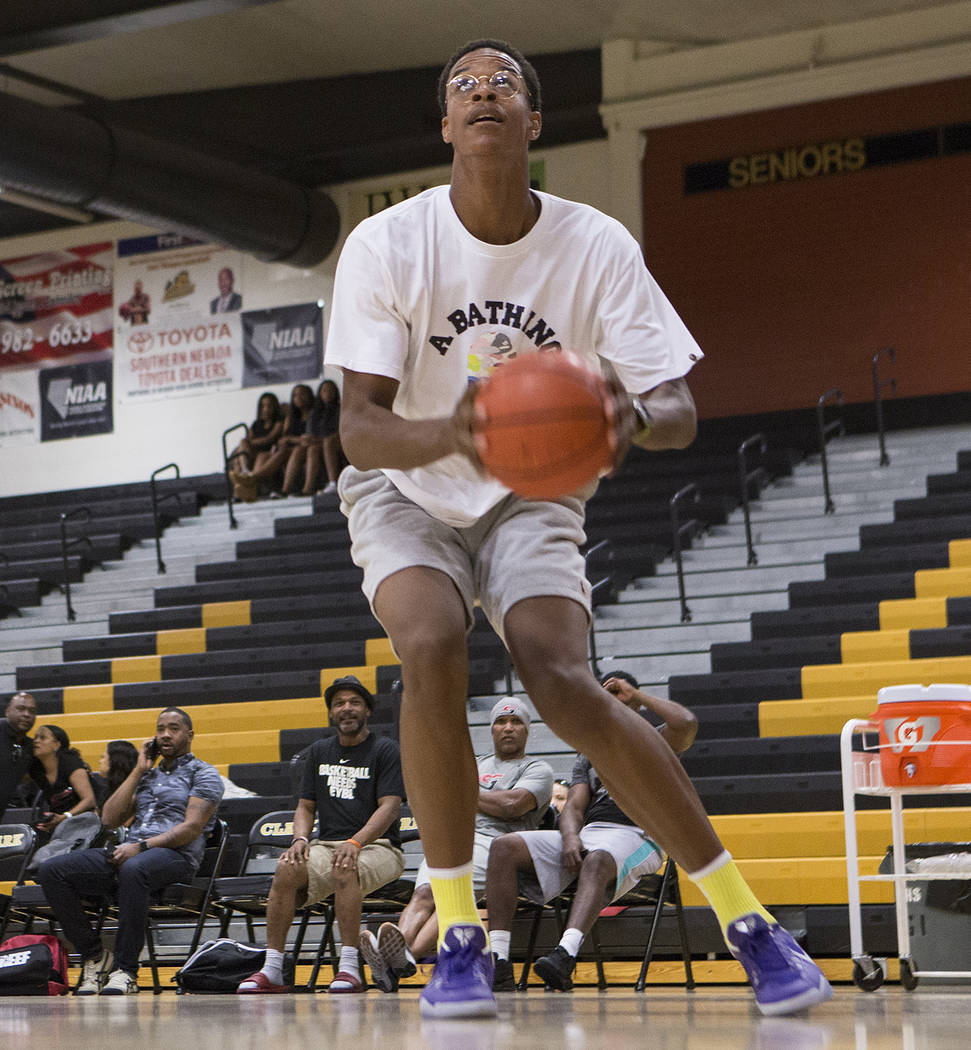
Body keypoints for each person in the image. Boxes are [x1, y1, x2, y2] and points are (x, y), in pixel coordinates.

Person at [325, 38, 831, 1018]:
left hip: (531, 490)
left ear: (532, 119)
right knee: (428, 642)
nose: (481, 90)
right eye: (461, 84)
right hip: (405, 483)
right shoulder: (388, 244)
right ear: (444, 126)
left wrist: (623, 413)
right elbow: (356, 428)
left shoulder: (594, 242)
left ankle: (747, 921)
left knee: (561, 680)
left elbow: (677, 406)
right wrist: (458, 428)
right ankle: (459, 938)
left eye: (501, 82)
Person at [486, 684, 698, 991]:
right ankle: (499, 963)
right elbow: (573, 805)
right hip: (590, 833)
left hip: (639, 836)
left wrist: (635, 695)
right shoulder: (589, 751)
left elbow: (686, 723)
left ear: (633, 707)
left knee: (597, 860)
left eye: (619, 701)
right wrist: (571, 837)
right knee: (504, 847)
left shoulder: (654, 740)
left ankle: (565, 955)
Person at [359, 696, 552, 993]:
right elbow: (445, 800)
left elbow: (512, 805)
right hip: (458, 837)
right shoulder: (475, 764)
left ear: (528, 730)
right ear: (492, 729)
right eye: (501, 721)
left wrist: (463, 790)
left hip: (500, 846)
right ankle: (396, 960)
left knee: (449, 898)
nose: (508, 728)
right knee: (424, 893)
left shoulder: (538, 769)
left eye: (516, 722)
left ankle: (393, 960)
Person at [36, 707, 224, 995]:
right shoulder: (148, 775)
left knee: (133, 867)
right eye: (160, 728)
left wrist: (140, 846)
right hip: (133, 851)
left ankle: (126, 970)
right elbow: (109, 819)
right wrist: (138, 770)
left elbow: (190, 829)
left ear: (190, 734)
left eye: (173, 728)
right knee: (53, 869)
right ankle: (95, 956)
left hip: (176, 856)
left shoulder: (205, 773)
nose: (165, 734)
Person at [238, 675, 404, 994]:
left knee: (344, 866)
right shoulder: (318, 751)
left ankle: (349, 969)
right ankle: (273, 969)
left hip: (379, 846)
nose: (346, 708)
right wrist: (300, 839)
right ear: (331, 713)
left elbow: (390, 808)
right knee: (286, 867)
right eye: (339, 703)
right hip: (325, 845)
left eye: (354, 702)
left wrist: (356, 842)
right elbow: (304, 806)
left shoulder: (385, 750)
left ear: (368, 711)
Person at [230, 383, 315, 500]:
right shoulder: (291, 417)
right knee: (254, 455)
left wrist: (290, 439)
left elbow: (275, 438)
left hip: (298, 448)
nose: (298, 397)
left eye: (302, 394)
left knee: (285, 451)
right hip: (281, 447)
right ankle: (248, 485)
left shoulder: (313, 414)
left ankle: (253, 479)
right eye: (295, 395)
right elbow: (284, 438)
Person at [28, 725, 98, 833]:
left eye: (42, 738)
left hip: (86, 820)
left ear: (57, 745)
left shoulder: (71, 763)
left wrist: (65, 816)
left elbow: (89, 800)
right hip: (59, 822)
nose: (36, 741)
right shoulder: (36, 768)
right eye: (35, 737)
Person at [228, 391, 285, 481]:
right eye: (263, 406)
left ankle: (245, 475)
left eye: (269, 406)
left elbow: (270, 438)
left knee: (244, 446)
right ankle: (243, 474)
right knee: (238, 453)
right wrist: (243, 447)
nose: (266, 409)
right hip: (254, 450)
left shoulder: (279, 421)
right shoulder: (257, 423)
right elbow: (248, 438)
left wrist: (250, 443)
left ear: (274, 407)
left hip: (269, 450)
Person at [0, 691, 36, 822]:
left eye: (31, 711)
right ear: (7, 711)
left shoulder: (30, 747)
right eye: (20, 709)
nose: (26, 714)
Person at [309, 379, 342, 494]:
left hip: (338, 442)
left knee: (328, 442)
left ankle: (333, 482)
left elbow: (341, 431)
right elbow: (311, 433)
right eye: (324, 390)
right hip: (319, 442)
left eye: (331, 390)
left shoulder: (340, 409)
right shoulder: (315, 412)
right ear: (320, 393)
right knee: (311, 449)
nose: (328, 393)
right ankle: (308, 488)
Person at [90, 739, 140, 812]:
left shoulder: (135, 792)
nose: (99, 761)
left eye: (103, 757)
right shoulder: (106, 789)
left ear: (114, 761)